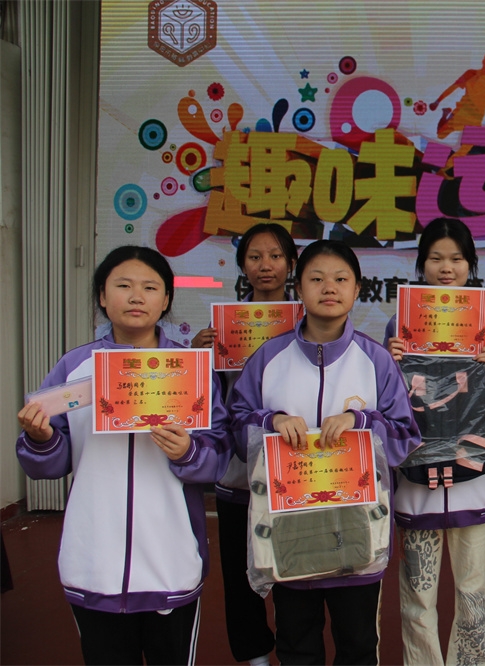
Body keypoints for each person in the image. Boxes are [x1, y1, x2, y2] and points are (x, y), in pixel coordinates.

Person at [16, 246, 231, 665]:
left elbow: (219, 453)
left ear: (165, 300)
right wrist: (41, 438)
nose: (136, 297)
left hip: (170, 561)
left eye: (150, 287)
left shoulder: (190, 369)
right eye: (123, 286)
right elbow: (49, 463)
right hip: (93, 561)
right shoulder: (75, 368)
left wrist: (188, 452)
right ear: (102, 295)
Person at [228, 240, 420, 665]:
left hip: (358, 533)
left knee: (358, 647)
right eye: (316, 279)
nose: (328, 287)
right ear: (298, 288)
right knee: (296, 647)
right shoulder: (269, 357)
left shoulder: (375, 360)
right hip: (290, 532)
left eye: (340, 279)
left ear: (357, 289)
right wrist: (270, 421)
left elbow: (405, 437)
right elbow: (235, 428)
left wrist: (362, 422)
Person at [383, 218, 485, 665]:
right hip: (416, 480)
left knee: (474, 597)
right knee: (417, 602)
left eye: (456, 259)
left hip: (475, 477)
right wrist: (392, 368)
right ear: (421, 264)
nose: (446, 268)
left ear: (470, 264)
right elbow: (389, 407)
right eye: (436, 258)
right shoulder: (400, 322)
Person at [192, 222, 298, 666]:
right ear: (242, 266)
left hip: (295, 468)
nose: (265, 265)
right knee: (239, 573)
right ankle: (254, 656)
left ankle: (295, 650)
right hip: (239, 471)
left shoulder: (310, 322)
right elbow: (204, 401)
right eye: (255, 257)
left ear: (291, 264)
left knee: (295, 569)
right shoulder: (224, 326)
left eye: (274, 256)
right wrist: (199, 357)